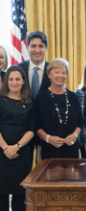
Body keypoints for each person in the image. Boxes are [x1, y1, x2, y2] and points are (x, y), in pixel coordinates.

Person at [0, 66, 34, 211]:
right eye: (11, 79)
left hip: (22, 155)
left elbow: (31, 130)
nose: (14, 82)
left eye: (17, 79)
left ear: (23, 82)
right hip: (1, 154)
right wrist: (6, 148)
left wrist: (16, 147)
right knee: (1, 196)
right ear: (7, 81)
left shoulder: (30, 103)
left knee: (20, 197)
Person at [35, 58, 82, 159]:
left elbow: (80, 122)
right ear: (49, 74)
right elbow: (36, 125)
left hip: (71, 149)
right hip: (48, 150)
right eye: (56, 72)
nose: (60, 76)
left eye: (64, 73)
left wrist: (75, 135)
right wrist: (49, 138)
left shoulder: (73, 97)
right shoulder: (41, 98)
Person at [18, 31, 51, 164]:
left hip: (47, 128)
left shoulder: (53, 70)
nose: (37, 50)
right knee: (24, 170)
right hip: (24, 128)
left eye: (41, 46)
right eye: (33, 46)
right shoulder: (18, 69)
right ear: (28, 48)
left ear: (46, 48)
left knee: (47, 170)